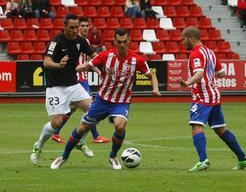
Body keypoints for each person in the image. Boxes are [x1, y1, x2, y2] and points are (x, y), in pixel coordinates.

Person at [50, 28, 161, 170]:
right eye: (119, 42)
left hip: (121, 102)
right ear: (115, 41)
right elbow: (87, 66)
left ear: (129, 41)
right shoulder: (106, 56)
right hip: (102, 100)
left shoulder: (137, 60)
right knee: (82, 128)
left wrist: (155, 88)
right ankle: (63, 156)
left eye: (124, 42)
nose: (122, 44)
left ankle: (113, 156)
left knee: (120, 126)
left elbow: (151, 75)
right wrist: (69, 70)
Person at [178, 26, 246, 172]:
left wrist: (187, 83)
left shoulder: (196, 54)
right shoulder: (209, 52)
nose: (182, 42)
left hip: (202, 96)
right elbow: (222, 73)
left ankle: (203, 160)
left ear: (191, 38)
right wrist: (209, 75)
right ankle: (243, 158)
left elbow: (199, 73)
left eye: (183, 39)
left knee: (196, 126)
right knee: (220, 129)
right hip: (214, 94)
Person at [30, 14, 99, 165]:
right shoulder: (57, 42)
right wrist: (58, 65)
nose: (75, 30)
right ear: (65, 27)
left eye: (77, 27)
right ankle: (38, 145)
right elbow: (46, 62)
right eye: (72, 27)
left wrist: (99, 64)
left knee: (95, 111)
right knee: (56, 123)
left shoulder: (80, 41)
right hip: (56, 88)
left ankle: (80, 141)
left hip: (73, 86)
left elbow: (95, 56)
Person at [51, 17, 110, 144]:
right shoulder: (72, 41)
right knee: (92, 108)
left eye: (86, 26)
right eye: (82, 26)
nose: (84, 28)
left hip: (83, 77)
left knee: (70, 110)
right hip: (78, 79)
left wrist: (100, 72)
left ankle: (55, 133)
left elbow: (92, 61)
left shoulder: (84, 41)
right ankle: (96, 136)